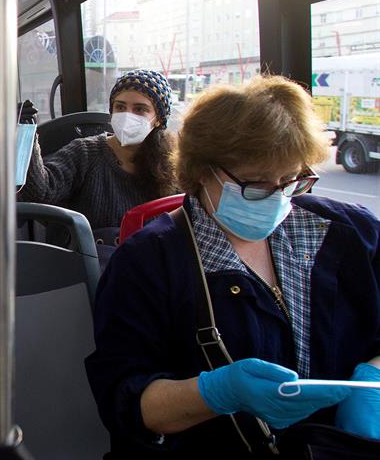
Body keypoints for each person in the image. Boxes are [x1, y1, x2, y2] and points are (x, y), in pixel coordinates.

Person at [86, 76, 380, 458]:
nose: (277, 199)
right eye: (257, 186)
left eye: (292, 182)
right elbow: (125, 401)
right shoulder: (147, 262)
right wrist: (214, 393)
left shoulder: (350, 233)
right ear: (203, 171)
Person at [18, 69, 176, 252]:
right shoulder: (85, 152)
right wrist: (26, 134)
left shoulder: (171, 164)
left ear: (158, 119)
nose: (128, 115)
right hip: (89, 264)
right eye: (120, 107)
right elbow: (40, 192)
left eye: (140, 109)